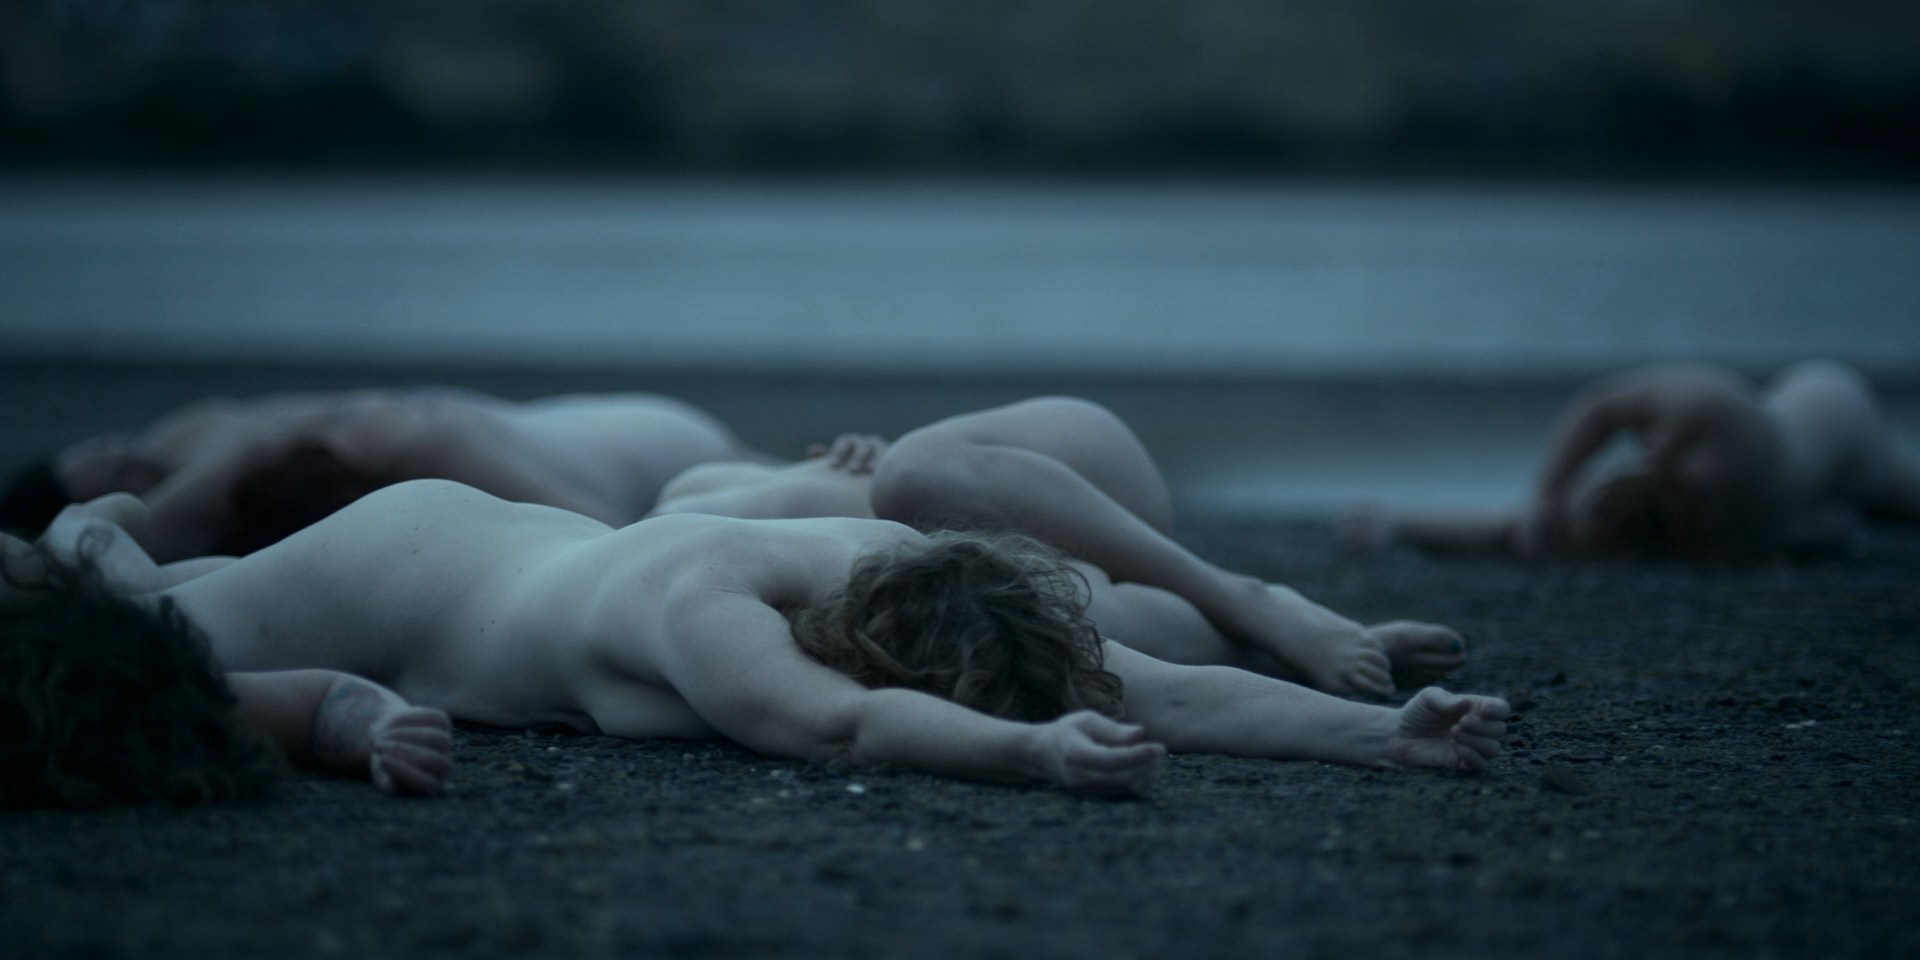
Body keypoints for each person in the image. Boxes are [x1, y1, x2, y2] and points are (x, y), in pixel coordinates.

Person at [38, 483, 1511, 794]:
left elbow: (1162, 686)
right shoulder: (707, 611)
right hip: (395, 575)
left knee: (189, 598)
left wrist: (1385, 737)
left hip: (520, 552)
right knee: (136, 617)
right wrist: (1032, 757)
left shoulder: (898, 571)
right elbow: (845, 726)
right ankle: (90, 527)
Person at [6, 391, 1467, 697]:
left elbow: (116, 539)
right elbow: (167, 582)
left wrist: (826, 468)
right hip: (1055, 561)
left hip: (1029, 473)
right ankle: (1255, 625)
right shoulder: (635, 554)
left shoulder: (664, 512)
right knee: (1122, 645)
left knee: (924, 470)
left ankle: (1263, 599)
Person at [653, 396, 1470, 698]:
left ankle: (1242, 597)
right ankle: (1284, 641)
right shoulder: (696, 602)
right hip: (1013, 564)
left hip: (1056, 479)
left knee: (912, 473)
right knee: (1050, 637)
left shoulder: (685, 496)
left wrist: (854, 451)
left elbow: (829, 468)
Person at [0, 388, 759, 560]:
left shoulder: (198, 439)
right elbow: (626, 545)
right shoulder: (410, 445)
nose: (112, 456)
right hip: (662, 451)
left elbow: (230, 432)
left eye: (91, 447)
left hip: (629, 433)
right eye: (105, 479)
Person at [2, 522, 453, 807]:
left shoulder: (79, 679)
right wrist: (384, 730)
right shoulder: (80, 699)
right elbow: (315, 704)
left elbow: (317, 702)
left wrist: (384, 729)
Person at [1342, 360, 1920, 561]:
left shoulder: (1713, 433)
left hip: (1830, 413)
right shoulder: (1718, 519)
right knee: (1880, 505)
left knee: (1885, 502)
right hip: (1830, 423)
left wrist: (1398, 522)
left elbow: (1601, 409)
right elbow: (1601, 411)